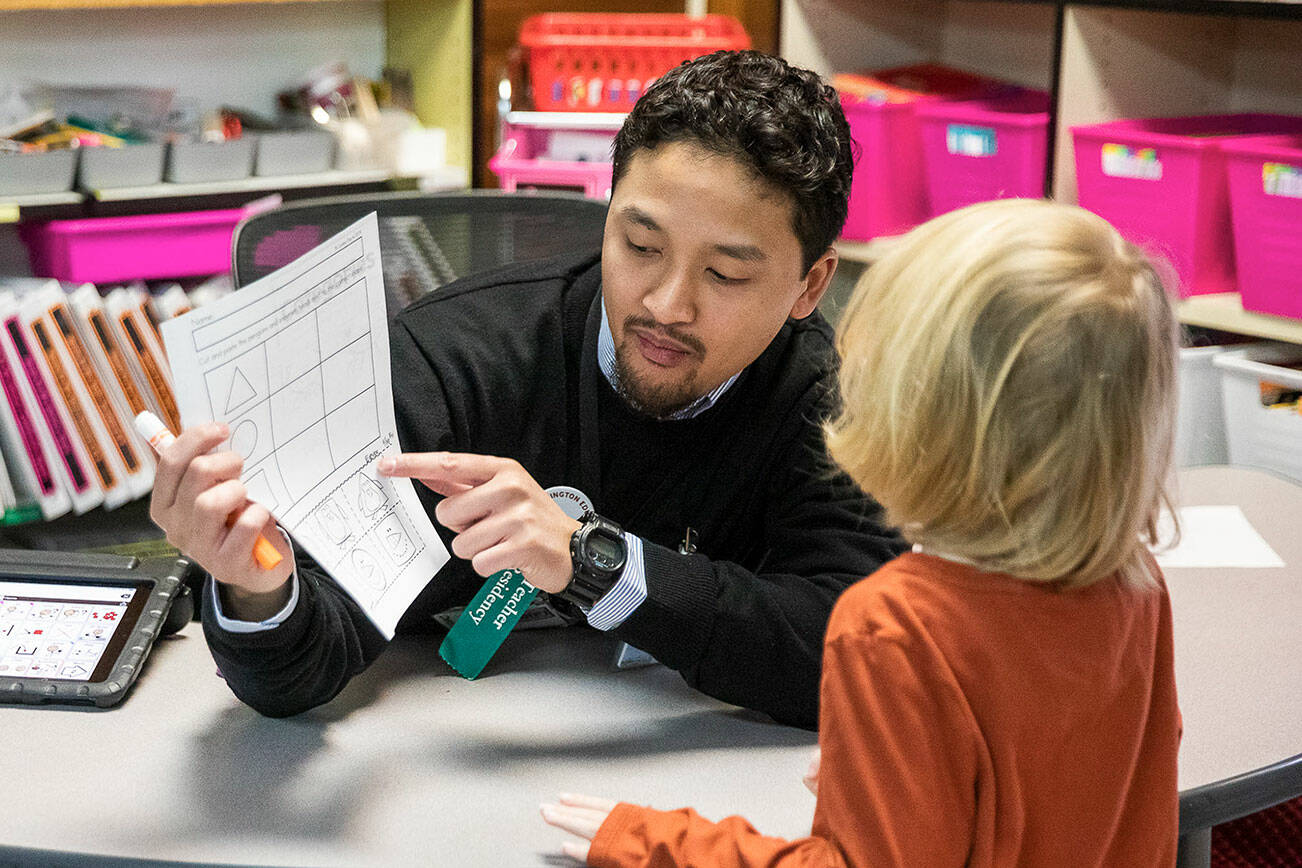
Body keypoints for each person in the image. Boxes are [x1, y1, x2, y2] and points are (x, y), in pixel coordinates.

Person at [147, 50, 907, 729]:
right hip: (446, 769)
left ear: (810, 285)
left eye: (726, 274)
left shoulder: (832, 403)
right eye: (640, 246)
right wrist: (256, 585)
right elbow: (297, 668)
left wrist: (592, 561)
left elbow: (853, 658)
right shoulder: (460, 361)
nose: (668, 304)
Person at [541, 198, 1184, 866]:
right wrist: (898, 773)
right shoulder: (1133, 582)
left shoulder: (895, 627)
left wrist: (663, 844)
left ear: (919, 415)